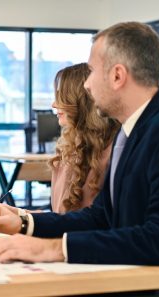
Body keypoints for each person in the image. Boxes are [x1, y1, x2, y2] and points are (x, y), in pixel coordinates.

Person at [0, 22, 159, 293]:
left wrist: (53, 249)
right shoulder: (131, 130)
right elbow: (102, 216)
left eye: (92, 71)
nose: (87, 84)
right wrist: (25, 223)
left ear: (117, 76)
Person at [50, 63, 119, 213]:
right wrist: (20, 215)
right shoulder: (67, 151)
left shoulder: (113, 153)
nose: (54, 104)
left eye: (62, 97)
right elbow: (59, 220)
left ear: (81, 101)